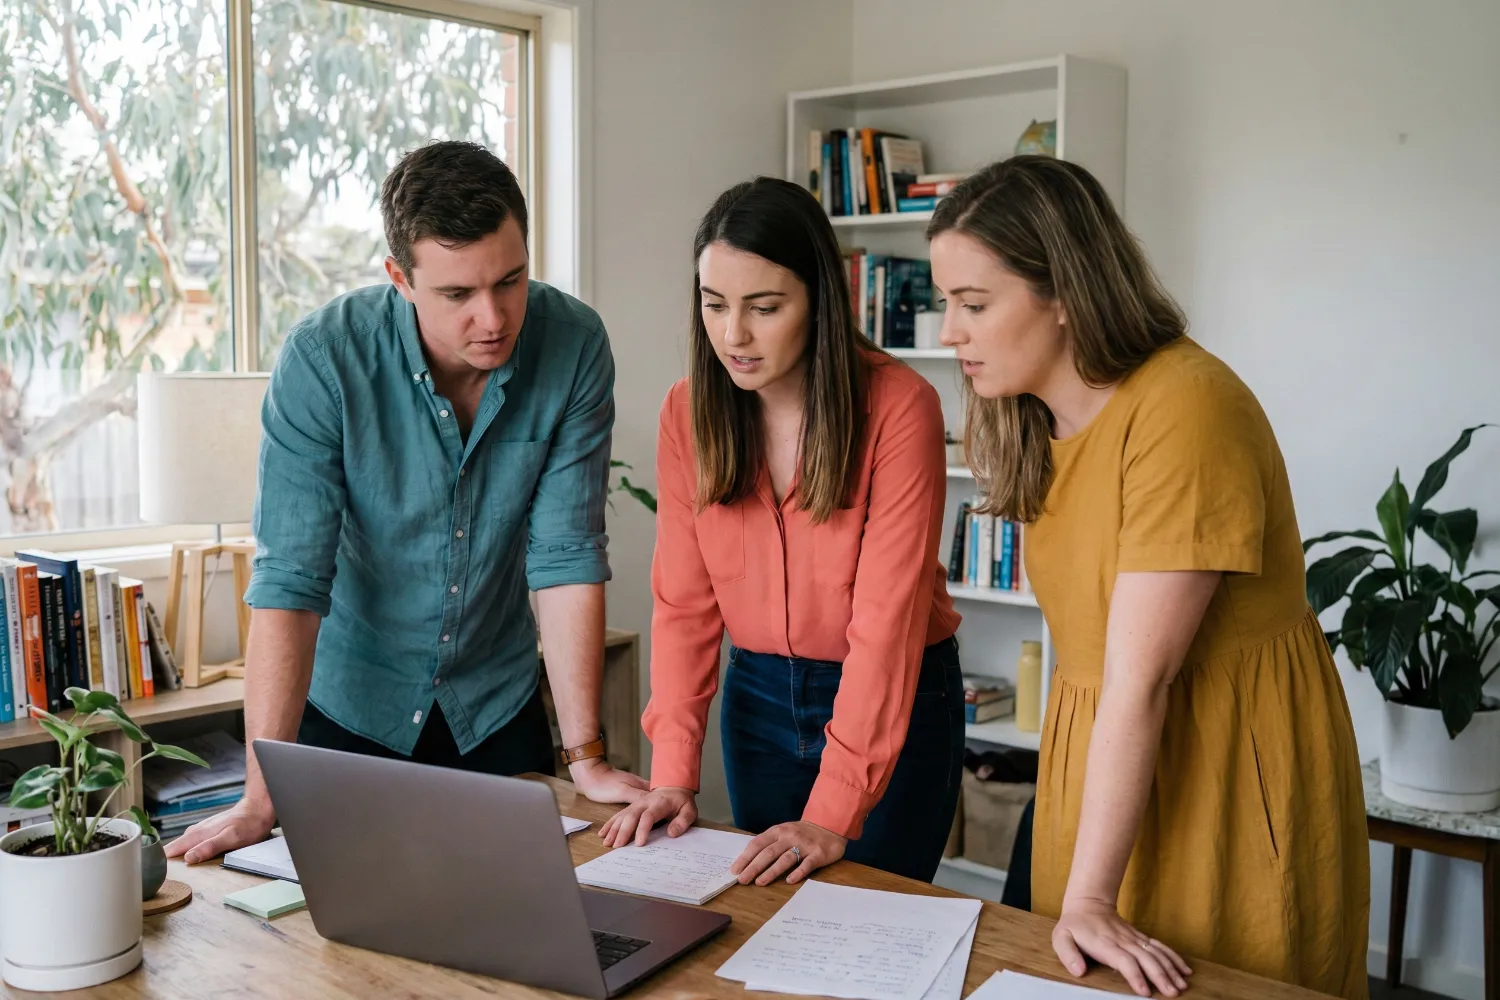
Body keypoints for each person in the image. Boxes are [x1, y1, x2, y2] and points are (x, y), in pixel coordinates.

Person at [927, 155, 1369, 1000]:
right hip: (1103, 756)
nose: (950, 331)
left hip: (1222, 763)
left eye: (973, 304)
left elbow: (1143, 679)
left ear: (1063, 292)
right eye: (947, 302)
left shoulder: (1187, 406)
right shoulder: (1031, 419)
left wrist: (1090, 895)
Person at [167, 141, 647, 865]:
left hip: (496, 711)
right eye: (457, 294)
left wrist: (586, 756)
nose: (493, 318)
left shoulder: (574, 344)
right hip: (349, 715)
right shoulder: (326, 360)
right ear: (400, 277)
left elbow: (566, 552)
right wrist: (262, 795)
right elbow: (292, 582)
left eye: (511, 280)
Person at [600, 177, 965, 885]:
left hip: (899, 697)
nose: (733, 334)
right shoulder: (689, 412)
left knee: (873, 931)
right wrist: (673, 772)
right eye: (714, 305)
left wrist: (833, 811)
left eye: (764, 308)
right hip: (759, 696)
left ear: (818, 302)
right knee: (767, 924)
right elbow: (684, 605)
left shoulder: (900, 407)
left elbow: (886, 627)